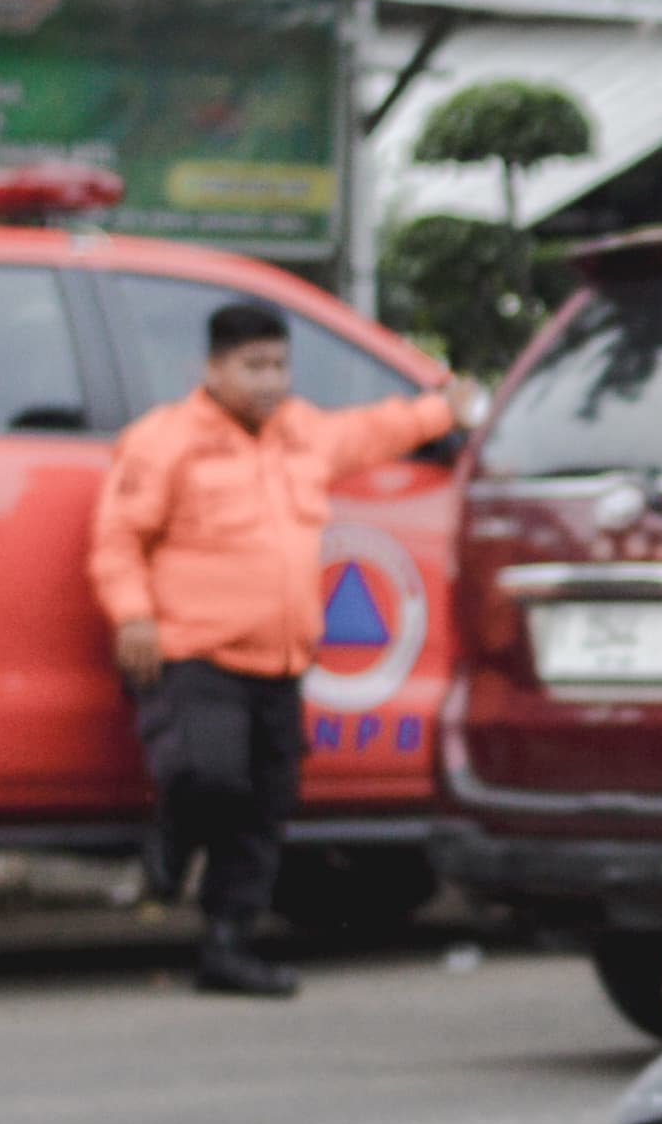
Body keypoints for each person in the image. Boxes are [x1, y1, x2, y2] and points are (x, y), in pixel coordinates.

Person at [89, 301, 465, 997]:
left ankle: (228, 946)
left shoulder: (303, 434)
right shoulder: (165, 440)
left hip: (283, 659)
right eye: (251, 366)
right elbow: (117, 538)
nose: (268, 381)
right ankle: (170, 843)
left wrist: (447, 410)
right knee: (209, 777)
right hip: (195, 651)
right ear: (213, 368)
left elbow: (377, 430)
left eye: (278, 365)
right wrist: (132, 616)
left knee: (264, 810)